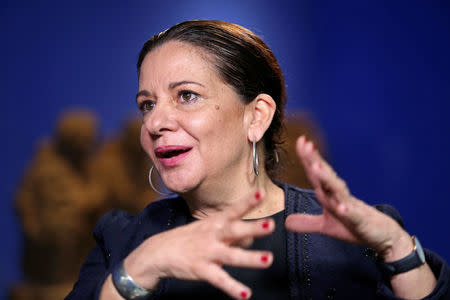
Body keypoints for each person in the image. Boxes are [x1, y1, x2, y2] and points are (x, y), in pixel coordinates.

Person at [65, 20, 449, 300]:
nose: (155, 122)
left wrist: (398, 250)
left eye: (186, 95)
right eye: (146, 104)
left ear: (256, 116)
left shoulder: (347, 236)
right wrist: (141, 269)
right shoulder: (122, 239)